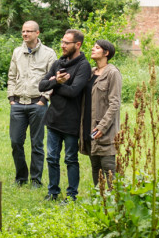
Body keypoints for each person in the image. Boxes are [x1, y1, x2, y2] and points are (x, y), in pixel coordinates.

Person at [38, 29, 92, 201]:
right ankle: (53, 192)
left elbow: (74, 91)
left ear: (77, 45)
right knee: (52, 157)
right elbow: (41, 85)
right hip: (53, 118)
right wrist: (55, 81)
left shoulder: (83, 66)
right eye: (62, 41)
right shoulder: (58, 63)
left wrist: (56, 86)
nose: (62, 45)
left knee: (70, 159)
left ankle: (71, 195)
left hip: (71, 121)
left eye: (66, 43)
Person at [7, 21, 57, 188]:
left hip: (38, 104)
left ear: (38, 33)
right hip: (18, 104)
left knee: (37, 143)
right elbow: (12, 76)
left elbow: (53, 79)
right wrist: (11, 99)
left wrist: (44, 99)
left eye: (29, 31)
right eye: (23, 31)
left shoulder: (49, 54)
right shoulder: (17, 52)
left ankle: (36, 179)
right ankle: (21, 178)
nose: (25, 34)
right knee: (15, 142)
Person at [80, 39, 122, 190]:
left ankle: (113, 201)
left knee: (108, 168)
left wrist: (102, 127)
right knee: (95, 168)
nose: (92, 49)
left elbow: (115, 103)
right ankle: (100, 200)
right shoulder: (91, 73)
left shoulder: (112, 73)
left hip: (105, 130)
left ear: (106, 53)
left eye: (97, 48)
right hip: (89, 126)